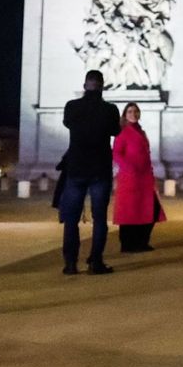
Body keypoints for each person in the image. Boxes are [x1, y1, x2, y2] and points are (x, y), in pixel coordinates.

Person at [60, 69, 122, 275]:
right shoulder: (110, 109)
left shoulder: (72, 107)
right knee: (100, 218)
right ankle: (95, 262)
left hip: (76, 168)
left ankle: (70, 263)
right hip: (99, 169)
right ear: (102, 86)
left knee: (71, 219)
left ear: (85, 85)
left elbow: (67, 123)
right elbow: (116, 131)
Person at [113, 101, 167, 252]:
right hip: (129, 178)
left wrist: (151, 175)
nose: (133, 114)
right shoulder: (122, 132)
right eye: (130, 112)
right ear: (125, 115)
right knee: (129, 212)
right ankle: (127, 245)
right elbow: (116, 153)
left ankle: (141, 242)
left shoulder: (141, 131)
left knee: (149, 210)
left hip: (144, 177)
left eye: (135, 111)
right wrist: (129, 168)